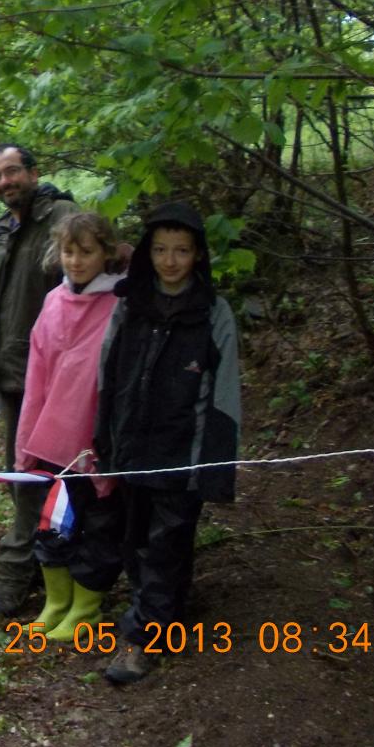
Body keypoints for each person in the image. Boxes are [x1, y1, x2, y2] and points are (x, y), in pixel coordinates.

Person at [94, 202, 241, 684]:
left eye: (181, 250)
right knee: (135, 539)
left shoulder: (214, 314)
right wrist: (104, 439)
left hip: (183, 451)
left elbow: (224, 394)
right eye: (160, 249)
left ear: (198, 254)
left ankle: (142, 639)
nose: (170, 260)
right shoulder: (129, 303)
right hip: (131, 444)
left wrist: (213, 464)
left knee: (167, 538)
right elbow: (107, 373)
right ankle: (165, 611)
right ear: (147, 252)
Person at [14, 212, 125, 642]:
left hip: (95, 440)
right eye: (68, 252)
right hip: (52, 438)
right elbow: (36, 373)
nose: (75, 261)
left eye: (86, 252)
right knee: (54, 522)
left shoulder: (120, 304)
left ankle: (86, 608)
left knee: (98, 525)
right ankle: (56, 602)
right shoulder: (53, 301)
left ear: (106, 254)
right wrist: (27, 439)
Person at [0, 144, 79, 616]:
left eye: (12, 172)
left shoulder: (62, 216)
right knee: (20, 479)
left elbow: (87, 277)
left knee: (53, 479)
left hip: (59, 374)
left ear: (33, 172)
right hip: (12, 373)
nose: (5, 183)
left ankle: (19, 574)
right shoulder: (1, 229)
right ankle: (47, 566)